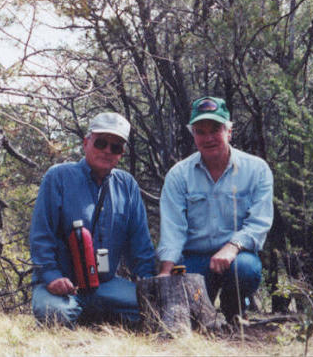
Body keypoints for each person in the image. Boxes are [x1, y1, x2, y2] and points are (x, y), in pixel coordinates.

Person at [30, 112, 156, 327]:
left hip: (105, 284)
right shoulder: (58, 177)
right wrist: (51, 277)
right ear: (86, 142)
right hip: (62, 285)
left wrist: (150, 283)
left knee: (155, 307)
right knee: (54, 313)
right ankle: (87, 317)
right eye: (101, 143)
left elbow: (140, 245)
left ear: (122, 153)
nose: (107, 151)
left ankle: (93, 317)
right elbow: (41, 236)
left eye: (116, 147)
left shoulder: (127, 185)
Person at [157, 97, 273, 322]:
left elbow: (259, 223)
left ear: (229, 131)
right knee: (189, 313)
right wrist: (165, 272)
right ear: (193, 135)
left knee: (246, 268)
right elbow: (173, 229)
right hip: (194, 260)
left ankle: (234, 311)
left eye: (216, 129)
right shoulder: (178, 175)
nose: (208, 138)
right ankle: (201, 313)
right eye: (200, 131)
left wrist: (232, 247)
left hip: (236, 257)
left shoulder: (257, 170)